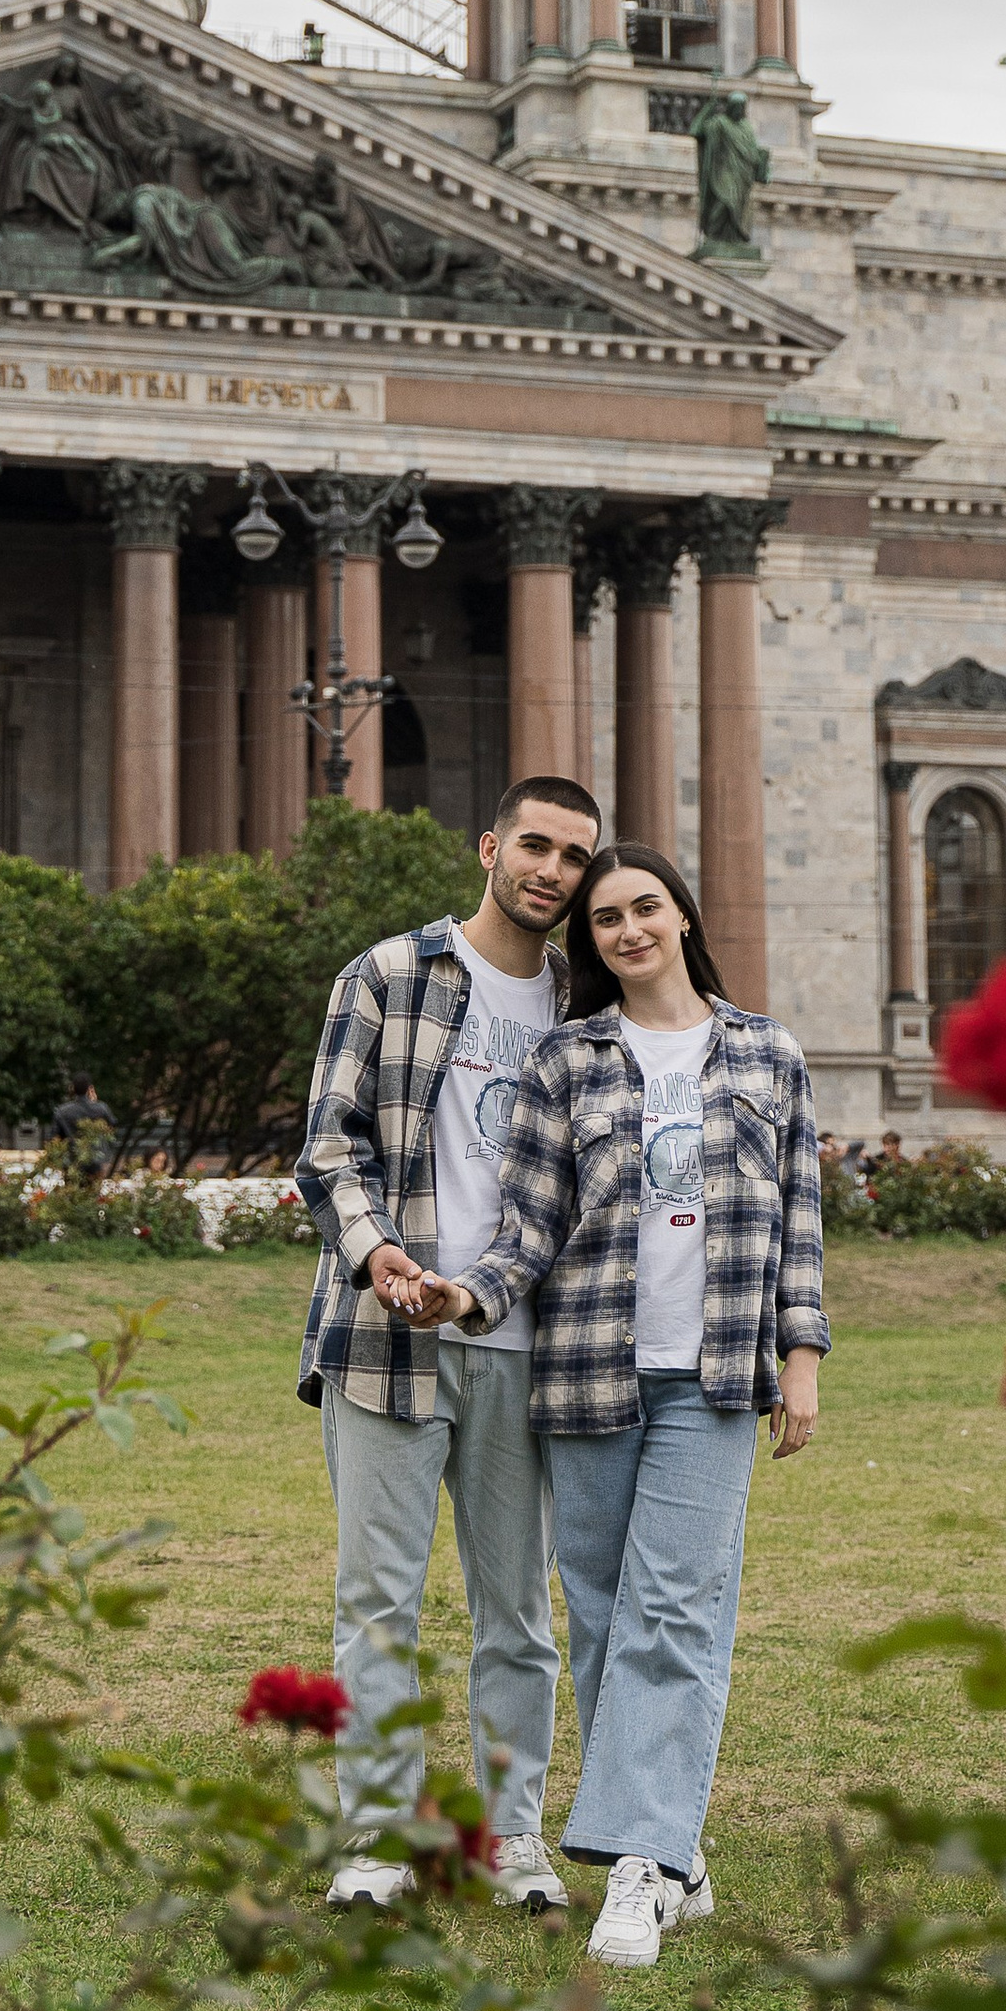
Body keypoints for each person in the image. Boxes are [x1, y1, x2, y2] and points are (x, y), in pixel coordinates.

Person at [415, 841, 827, 1971]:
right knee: (599, 1616)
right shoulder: (566, 1060)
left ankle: (635, 1871)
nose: (629, 930)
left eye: (646, 907)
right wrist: (468, 1292)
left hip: (715, 1376)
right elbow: (529, 1227)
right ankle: (676, 1852)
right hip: (590, 1370)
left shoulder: (768, 1055)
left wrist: (802, 1357)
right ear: (590, 944)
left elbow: (799, 1224)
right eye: (605, 920)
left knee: (678, 1611)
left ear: (683, 916)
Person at [294, 775, 604, 1911]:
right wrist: (381, 1259)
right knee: (376, 1603)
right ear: (489, 847)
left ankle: (508, 1839)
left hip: (525, 1346)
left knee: (517, 1613)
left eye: (574, 857)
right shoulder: (389, 974)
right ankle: (373, 1842)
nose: (552, 872)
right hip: (383, 1338)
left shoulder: (583, 1005)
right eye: (535, 845)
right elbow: (329, 1147)